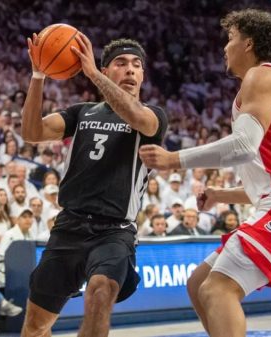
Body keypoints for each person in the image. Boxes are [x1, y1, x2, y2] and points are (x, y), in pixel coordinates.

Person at [139, 9, 271, 337]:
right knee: (199, 283)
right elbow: (268, 177)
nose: (224, 48)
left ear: (249, 44)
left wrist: (174, 160)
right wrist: (221, 195)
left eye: (230, 39)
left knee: (218, 289)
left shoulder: (262, 76)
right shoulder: (258, 86)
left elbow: (243, 146)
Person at [20, 33, 167, 337]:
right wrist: (38, 76)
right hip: (69, 227)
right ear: (107, 69)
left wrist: (93, 75)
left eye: (137, 65)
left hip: (114, 231)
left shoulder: (152, 117)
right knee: (36, 327)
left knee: (100, 292)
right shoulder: (82, 112)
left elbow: (137, 116)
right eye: (121, 63)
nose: (130, 69)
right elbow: (32, 132)